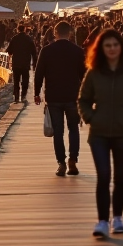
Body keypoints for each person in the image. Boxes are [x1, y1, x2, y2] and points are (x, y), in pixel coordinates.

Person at [78, 29, 123, 239]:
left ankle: (117, 217)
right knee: (104, 176)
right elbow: (83, 99)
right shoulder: (94, 72)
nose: (111, 49)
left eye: (115, 45)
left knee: (120, 177)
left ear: (121, 47)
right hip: (99, 133)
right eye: (107, 45)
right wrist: (91, 117)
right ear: (101, 48)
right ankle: (101, 221)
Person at [33, 21, 86, 177]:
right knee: (73, 129)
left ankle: (61, 163)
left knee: (58, 132)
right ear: (70, 33)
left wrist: (37, 93)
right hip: (73, 96)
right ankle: (73, 161)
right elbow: (84, 75)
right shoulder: (77, 51)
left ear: (55, 33)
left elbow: (38, 73)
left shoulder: (46, 50)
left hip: (53, 97)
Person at [6, 24, 37, 103]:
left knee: (16, 81)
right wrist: (34, 64)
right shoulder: (28, 39)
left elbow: (9, 51)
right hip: (25, 64)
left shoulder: (14, 39)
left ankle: (16, 97)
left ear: (17, 30)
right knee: (25, 80)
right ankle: (23, 96)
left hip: (16, 64)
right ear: (25, 29)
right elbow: (34, 52)